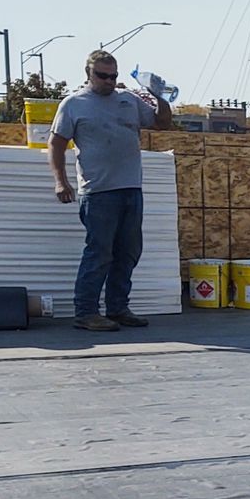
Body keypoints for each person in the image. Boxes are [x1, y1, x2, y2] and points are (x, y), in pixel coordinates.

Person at [49, 49, 173, 330]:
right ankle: (86, 312)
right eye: (102, 75)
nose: (108, 81)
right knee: (99, 252)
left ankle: (118, 308)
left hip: (131, 189)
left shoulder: (128, 100)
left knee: (128, 252)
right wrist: (61, 181)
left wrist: (159, 97)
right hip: (98, 192)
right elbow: (56, 144)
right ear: (88, 74)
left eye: (113, 76)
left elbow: (162, 123)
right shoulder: (74, 104)